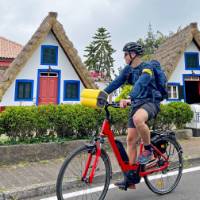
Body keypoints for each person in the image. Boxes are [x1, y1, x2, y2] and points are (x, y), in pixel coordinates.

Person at [104, 42, 162, 189]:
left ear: (133, 54)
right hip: (136, 103)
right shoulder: (128, 70)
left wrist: (130, 97)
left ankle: (148, 149)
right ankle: (131, 178)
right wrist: (102, 94)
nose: (124, 57)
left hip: (150, 101)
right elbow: (116, 82)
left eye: (125, 54)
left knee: (138, 119)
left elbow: (141, 83)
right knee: (130, 140)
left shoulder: (147, 67)